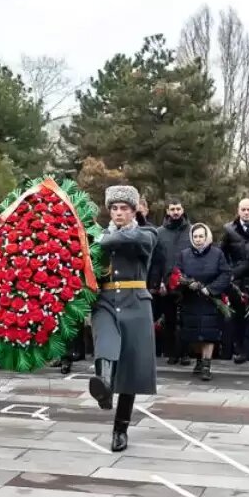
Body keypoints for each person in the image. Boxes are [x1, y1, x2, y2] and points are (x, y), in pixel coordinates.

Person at [86, 185, 158, 453]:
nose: (118, 213)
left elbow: (131, 241)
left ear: (134, 210)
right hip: (105, 301)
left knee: (130, 368)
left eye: (124, 208)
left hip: (135, 302)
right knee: (105, 343)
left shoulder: (145, 233)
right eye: (114, 208)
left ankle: (120, 428)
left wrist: (99, 239)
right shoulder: (99, 235)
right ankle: (103, 386)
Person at [174, 224, 231, 381]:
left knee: (208, 333)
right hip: (191, 299)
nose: (198, 240)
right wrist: (186, 283)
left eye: (201, 236)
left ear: (207, 237)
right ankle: (199, 360)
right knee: (194, 333)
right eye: (196, 237)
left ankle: (206, 365)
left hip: (210, 300)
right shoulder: (184, 254)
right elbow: (177, 273)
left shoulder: (217, 254)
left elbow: (225, 274)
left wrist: (211, 289)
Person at [221, 198, 249, 369]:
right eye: (243, 209)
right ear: (238, 211)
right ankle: (241, 351)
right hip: (236, 281)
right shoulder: (229, 230)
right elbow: (222, 254)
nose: (246, 213)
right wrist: (230, 272)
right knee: (238, 317)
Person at [154, 197, 192, 365]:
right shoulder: (159, 233)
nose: (175, 212)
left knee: (186, 319)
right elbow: (156, 260)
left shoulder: (191, 231)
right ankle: (172, 353)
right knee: (169, 320)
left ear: (182, 210)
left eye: (178, 209)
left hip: (186, 284)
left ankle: (185, 353)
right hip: (166, 283)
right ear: (167, 211)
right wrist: (159, 281)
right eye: (172, 209)